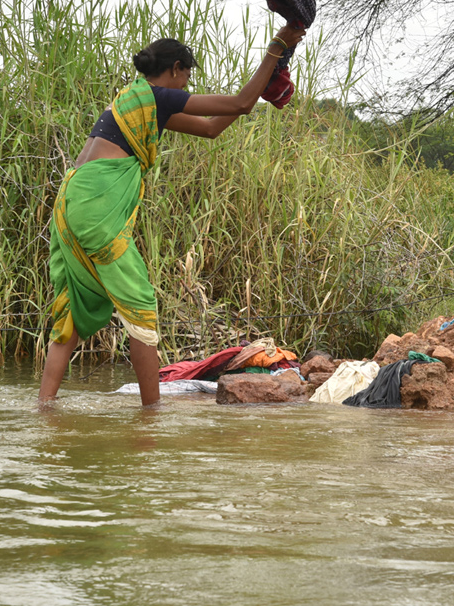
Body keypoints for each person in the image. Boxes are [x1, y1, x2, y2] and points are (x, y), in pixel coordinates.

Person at [39, 25, 307, 406]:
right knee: (141, 306)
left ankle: (44, 408)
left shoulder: (134, 103)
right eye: (187, 78)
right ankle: (151, 415)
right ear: (177, 69)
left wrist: (262, 84)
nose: (186, 87)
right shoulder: (156, 96)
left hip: (71, 204)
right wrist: (277, 49)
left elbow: (213, 127)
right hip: (95, 207)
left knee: (71, 308)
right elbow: (241, 103)